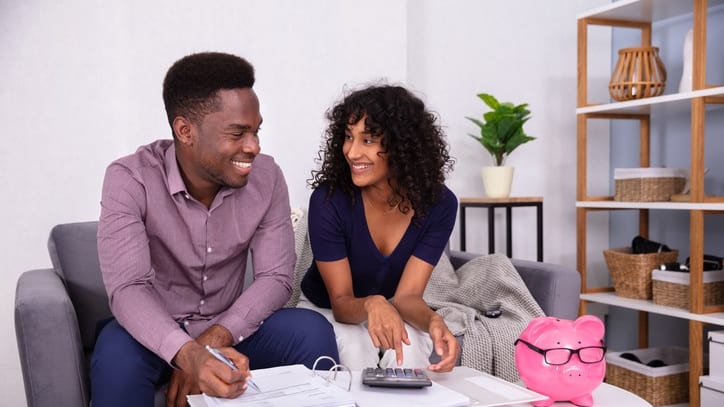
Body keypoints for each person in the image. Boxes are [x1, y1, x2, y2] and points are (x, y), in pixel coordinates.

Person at [92, 52, 339, 407]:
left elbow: (275, 277)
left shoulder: (267, 177)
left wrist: (215, 339)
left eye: (255, 131)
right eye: (237, 133)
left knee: (310, 331)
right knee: (116, 359)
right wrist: (188, 354)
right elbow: (128, 288)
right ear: (185, 131)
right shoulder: (130, 178)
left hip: (230, 328)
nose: (253, 146)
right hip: (149, 335)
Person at [298, 84, 460, 372]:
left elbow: (407, 297)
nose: (352, 152)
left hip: (389, 306)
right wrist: (373, 303)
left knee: (410, 347)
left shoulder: (439, 204)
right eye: (348, 138)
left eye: (368, 140)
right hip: (327, 309)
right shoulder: (329, 200)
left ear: (402, 146)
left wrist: (435, 321)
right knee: (357, 344)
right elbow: (341, 302)